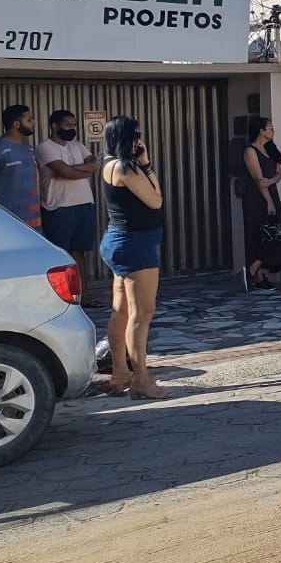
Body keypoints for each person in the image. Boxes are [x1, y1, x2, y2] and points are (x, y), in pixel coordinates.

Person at [97, 115, 167, 399]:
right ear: (126, 138)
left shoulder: (108, 164)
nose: (139, 140)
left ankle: (119, 373)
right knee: (142, 313)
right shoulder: (126, 168)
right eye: (135, 135)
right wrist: (147, 166)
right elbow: (156, 199)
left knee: (121, 311)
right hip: (135, 244)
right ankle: (141, 379)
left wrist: (145, 164)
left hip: (118, 241)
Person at [37, 109, 99, 302]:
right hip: (59, 208)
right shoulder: (45, 147)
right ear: (55, 126)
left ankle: (84, 295)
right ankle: (60, 297)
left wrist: (73, 169)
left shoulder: (77, 144)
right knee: (60, 253)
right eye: (68, 125)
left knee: (79, 252)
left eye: (74, 125)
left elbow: (94, 164)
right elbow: (65, 173)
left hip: (84, 204)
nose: (72, 129)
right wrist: (81, 170)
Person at [240, 115, 281, 291]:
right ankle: (258, 276)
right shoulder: (250, 151)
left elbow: (278, 173)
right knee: (258, 233)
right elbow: (257, 179)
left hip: (271, 192)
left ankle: (254, 268)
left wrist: (269, 182)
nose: (272, 130)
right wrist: (268, 201)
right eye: (270, 128)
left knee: (277, 233)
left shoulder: (271, 149)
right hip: (256, 198)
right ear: (261, 131)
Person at [0, 103, 40, 230]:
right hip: (9, 223)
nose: (33, 123)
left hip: (34, 224)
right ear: (16, 124)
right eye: (29, 120)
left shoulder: (28, 149)